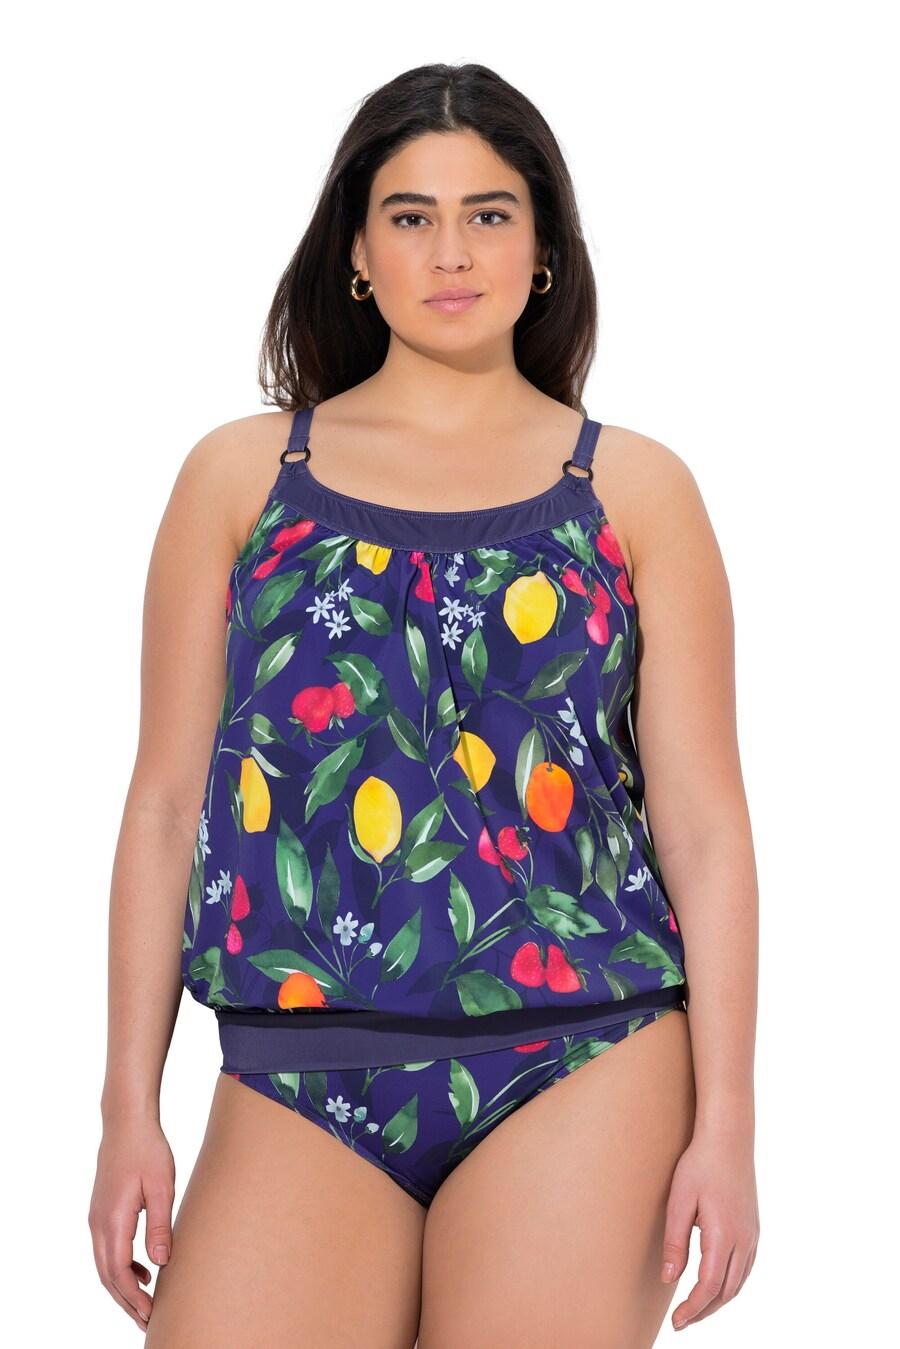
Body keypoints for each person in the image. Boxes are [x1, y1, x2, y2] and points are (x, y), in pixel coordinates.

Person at [89, 62, 759, 1347]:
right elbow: (165, 804)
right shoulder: (240, 478)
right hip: (297, 1063)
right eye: (411, 216)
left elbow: (705, 826)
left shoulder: (635, 490)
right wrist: (130, 1104)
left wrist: (725, 1124)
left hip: (584, 1050)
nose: (451, 252)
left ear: (544, 249)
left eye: (489, 214)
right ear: (356, 250)